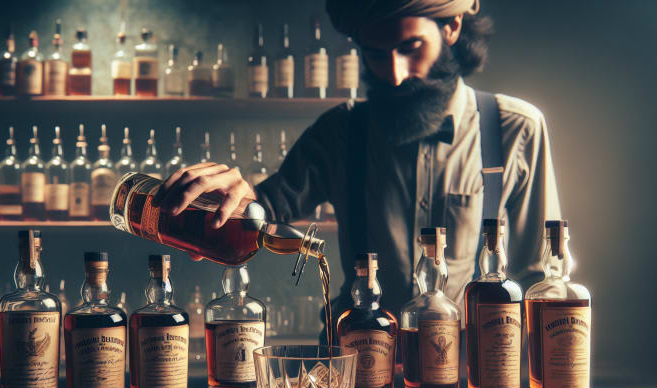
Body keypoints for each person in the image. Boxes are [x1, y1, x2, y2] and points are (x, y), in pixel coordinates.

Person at [162, 0, 561, 339]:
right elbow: (263, 209)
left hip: (469, 382)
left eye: (411, 47)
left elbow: (537, 277)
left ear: (453, 27)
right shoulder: (342, 131)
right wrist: (225, 200)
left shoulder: (516, 129)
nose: (394, 73)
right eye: (375, 53)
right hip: (356, 369)